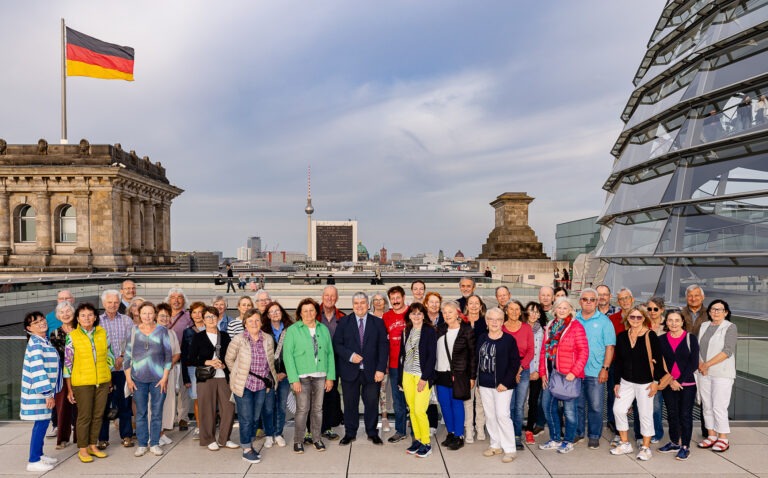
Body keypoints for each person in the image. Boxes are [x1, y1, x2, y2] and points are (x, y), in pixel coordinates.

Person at [610, 306, 666, 461]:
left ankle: (646, 448)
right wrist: (616, 382)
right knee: (619, 410)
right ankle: (625, 443)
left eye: (639, 317)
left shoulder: (651, 336)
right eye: (632, 317)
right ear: (627, 318)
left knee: (645, 414)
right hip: (626, 382)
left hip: (646, 383)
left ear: (644, 319)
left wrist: (656, 382)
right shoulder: (622, 336)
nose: (635, 320)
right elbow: (619, 362)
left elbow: (659, 361)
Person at [334, 292, 389, 446]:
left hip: (372, 372)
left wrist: (380, 369)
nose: (359, 306)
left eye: (363, 303)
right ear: (353, 305)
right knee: (350, 403)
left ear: (368, 305)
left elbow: (383, 347)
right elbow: (337, 345)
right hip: (349, 371)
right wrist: (350, 355)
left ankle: (372, 432)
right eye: (356, 303)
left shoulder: (377, 323)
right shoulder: (344, 322)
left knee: (371, 403)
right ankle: (350, 433)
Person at [283, 298, 336, 454]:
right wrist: (294, 379)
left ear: (316, 312)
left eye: (311, 310)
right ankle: (298, 440)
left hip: (320, 375)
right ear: (300, 313)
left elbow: (330, 354)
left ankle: (316, 438)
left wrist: (330, 377)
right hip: (302, 377)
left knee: (318, 410)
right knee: (302, 410)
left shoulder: (323, 329)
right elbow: (288, 356)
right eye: (305, 311)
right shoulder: (293, 330)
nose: (308, 313)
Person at [225, 309, 278, 464]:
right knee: (246, 418)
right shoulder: (238, 339)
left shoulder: (268, 339)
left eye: (257, 320)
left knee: (255, 417)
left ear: (261, 322)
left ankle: (248, 443)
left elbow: (270, 361)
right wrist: (238, 374)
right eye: (250, 321)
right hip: (244, 385)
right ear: (245, 323)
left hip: (262, 385)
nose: (254, 323)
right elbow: (229, 360)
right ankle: (246, 449)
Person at [64, 303, 114, 463]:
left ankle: (93, 445)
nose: (87, 318)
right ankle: (83, 448)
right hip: (82, 382)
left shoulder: (102, 333)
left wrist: (107, 374)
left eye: (90, 315)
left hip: (102, 381)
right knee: (84, 416)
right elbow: (67, 363)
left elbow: (110, 355)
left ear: (95, 317)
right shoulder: (72, 336)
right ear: (78, 318)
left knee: (98, 415)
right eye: (83, 315)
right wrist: (69, 389)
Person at [538, 298, 588, 454]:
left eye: (565, 307)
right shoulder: (550, 327)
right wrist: (543, 373)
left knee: (569, 411)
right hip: (551, 373)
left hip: (568, 375)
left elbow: (583, 352)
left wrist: (574, 372)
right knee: (547, 406)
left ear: (571, 309)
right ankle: (554, 438)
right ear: (554, 309)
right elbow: (543, 352)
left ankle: (568, 441)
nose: (561, 310)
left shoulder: (576, 327)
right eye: (559, 307)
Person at [124, 302, 172, 457]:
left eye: (150, 313)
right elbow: (127, 357)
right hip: (138, 379)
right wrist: (129, 379)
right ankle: (143, 444)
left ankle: (155, 443)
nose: (147, 316)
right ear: (139, 314)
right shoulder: (133, 331)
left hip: (158, 379)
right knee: (141, 413)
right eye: (144, 313)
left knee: (157, 412)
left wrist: (165, 377)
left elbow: (168, 357)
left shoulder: (162, 331)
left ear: (155, 314)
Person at [189, 306, 236, 451]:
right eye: (208, 317)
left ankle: (224, 438)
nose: (211, 319)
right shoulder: (198, 337)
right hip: (206, 377)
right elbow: (190, 359)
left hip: (224, 377)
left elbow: (231, 355)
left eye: (214, 316)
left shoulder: (225, 335)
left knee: (228, 408)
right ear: (203, 319)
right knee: (206, 409)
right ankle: (208, 439)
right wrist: (208, 361)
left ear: (218, 318)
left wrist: (224, 364)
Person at [477, 307, 521, 463]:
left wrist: (506, 382)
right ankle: (495, 445)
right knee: (490, 415)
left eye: (498, 319)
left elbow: (515, 363)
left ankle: (510, 449)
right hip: (484, 384)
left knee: (502, 415)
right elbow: (478, 361)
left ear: (502, 322)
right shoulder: (482, 338)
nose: (494, 322)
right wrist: (476, 381)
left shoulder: (509, 340)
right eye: (491, 319)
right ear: (487, 321)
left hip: (503, 385)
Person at [574, 288, 615, 449]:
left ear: (597, 302)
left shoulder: (605, 321)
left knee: (596, 406)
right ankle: (578, 433)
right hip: (576, 371)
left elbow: (610, 347)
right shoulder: (574, 319)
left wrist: (605, 368)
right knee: (577, 404)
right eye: (585, 299)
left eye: (592, 299)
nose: (589, 302)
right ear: (580, 302)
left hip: (596, 371)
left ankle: (594, 435)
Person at [21, 311, 62, 472]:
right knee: (40, 424)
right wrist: (47, 394)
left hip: (43, 392)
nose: (41, 323)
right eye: (36, 322)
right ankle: (33, 460)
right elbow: (38, 371)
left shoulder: (42, 341)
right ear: (29, 328)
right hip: (39, 393)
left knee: (43, 422)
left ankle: (39, 454)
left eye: (42, 320)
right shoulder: (37, 344)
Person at [658, 310, 699, 461]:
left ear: (682, 322)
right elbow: (659, 363)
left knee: (685, 415)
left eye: (677, 320)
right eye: (670, 320)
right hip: (669, 383)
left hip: (686, 384)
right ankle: (675, 442)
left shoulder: (690, 338)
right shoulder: (661, 339)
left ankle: (685, 447)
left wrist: (678, 381)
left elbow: (693, 363)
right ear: (666, 322)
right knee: (672, 414)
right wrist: (670, 381)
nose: (673, 323)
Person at [697, 299, 737, 453]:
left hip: (721, 373)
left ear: (726, 312)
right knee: (706, 405)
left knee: (719, 406)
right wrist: (701, 365)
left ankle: (723, 438)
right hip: (703, 372)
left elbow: (727, 351)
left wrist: (707, 365)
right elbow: (699, 348)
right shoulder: (704, 326)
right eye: (713, 309)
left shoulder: (730, 327)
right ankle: (711, 435)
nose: (715, 312)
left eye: (719, 309)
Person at [435, 300, 476, 451]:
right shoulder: (439, 329)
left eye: (450, 312)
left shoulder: (466, 331)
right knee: (445, 405)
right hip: (440, 373)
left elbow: (472, 356)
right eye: (444, 312)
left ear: (457, 313)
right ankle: (451, 433)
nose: (447, 315)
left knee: (457, 404)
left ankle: (459, 435)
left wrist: (472, 377)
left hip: (459, 374)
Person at [398, 302, 437, 458]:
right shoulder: (406, 330)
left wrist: (424, 378)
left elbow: (431, 357)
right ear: (409, 316)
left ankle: (426, 443)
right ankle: (418, 440)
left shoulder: (429, 331)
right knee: (412, 410)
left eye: (419, 313)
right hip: (407, 375)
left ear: (423, 315)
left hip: (422, 376)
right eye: (413, 313)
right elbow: (403, 355)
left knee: (420, 411)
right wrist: (401, 379)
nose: (416, 316)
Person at [97, 289, 134, 450]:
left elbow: (133, 342)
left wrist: (121, 355)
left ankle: (126, 435)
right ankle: (102, 438)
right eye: (109, 302)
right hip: (103, 370)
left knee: (124, 403)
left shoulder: (126, 320)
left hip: (123, 369)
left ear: (119, 303)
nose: (112, 305)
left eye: (115, 302)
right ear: (104, 303)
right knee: (103, 405)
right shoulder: (96, 321)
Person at [633, 297, 666, 444]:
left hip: (660, 370)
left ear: (662, 310)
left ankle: (656, 432)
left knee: (656, 405)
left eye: (655, 309)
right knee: (641, 404)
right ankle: (641, 433)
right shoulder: (642, 323)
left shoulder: (667, 325)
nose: (652, 312)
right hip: (643, 370)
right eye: (649, 309)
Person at [502, 300, 534, 451]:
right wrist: (511, 370)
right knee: (508, 405)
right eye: (511, 309)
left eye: (517, 310)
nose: (514, 312)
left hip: (523, 369)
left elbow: (531, 352)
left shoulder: (527, 328)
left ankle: (516, 436)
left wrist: (519, 369)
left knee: (519, 406)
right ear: (506, 311)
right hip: (506, 370)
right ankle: (506, 436)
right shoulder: (501, 328)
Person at [261, 301, 294, 448]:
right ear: (267, 315)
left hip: (285, 375)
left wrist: (285, 373)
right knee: (268, 406)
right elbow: (261, 355)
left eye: (277, 310)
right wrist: (273, 373)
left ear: (282, 312)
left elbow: (294, 353)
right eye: (271, 311)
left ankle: (278, 433)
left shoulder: (290, 330)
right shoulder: (263, 331)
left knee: (281, 406)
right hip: (268, 375)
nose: (275, 313)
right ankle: (269, 434)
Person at [317, 286, 345, 441]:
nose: (329, 298)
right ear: (322, 296)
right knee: (316, 394)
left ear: (337, 298)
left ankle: (327, 425)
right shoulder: (313, 314)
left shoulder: (342, 317)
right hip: (316, 361)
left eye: (332, 296)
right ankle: (315, 427)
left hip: (337, 361)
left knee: (331, 392)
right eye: (327, 295)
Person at [382, 286, 409, 443]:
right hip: (393, 365)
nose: (396, 301)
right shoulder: (387, 316)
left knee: (413, 400)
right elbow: (383, 342)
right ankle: (400, 430)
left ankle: (417, 429)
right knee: (398, 400)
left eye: (398, 297)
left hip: (411, 365)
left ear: (403, 297)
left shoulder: (413, 312)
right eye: (393, 299)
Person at [49, 302, 77, 450]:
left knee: (80, 407)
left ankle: (80, 438)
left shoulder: (80, 330)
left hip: (80, 373)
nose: (65, 314)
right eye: (62, 312)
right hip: (61, 374)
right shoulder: (54, 333)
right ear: (58, 316)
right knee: (62, 407)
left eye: (68, 311)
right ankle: (62, 438)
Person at [166, 288, 193, 431]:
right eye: (173, 297)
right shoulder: (163, 313)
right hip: (165, 357)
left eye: (180, 297)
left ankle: (182, 418)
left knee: (183, 388)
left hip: (182, 356)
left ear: (184, 300)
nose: (176, 300)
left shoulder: (188, 316)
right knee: (168, 389)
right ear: (168, 300)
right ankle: (169, 418)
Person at [155, 303, 181, 446]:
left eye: (167, 315)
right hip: (154, 375)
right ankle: (154, 433)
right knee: (155, 404)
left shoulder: (171, 333)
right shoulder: (151, 332)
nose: (164, 318)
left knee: (168, 403)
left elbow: (177, 353)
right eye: (161, 315)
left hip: (169, 373)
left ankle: (162, 432)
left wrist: (168, 365)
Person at [463, 294, 488, 443]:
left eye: (476, 303)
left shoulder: (485, 323)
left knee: (480, 401)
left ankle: (480, 428)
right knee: (467, 400)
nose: (473, 306)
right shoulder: (462, 323)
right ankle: (469, 430)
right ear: (466, 306)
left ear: (480, 306)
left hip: (482, 367)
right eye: (470, 303)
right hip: (465, 368)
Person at [181, 301, 206, 440]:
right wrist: (185, 377)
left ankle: (208, 425)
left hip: (208, 369)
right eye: (194, 312)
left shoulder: (211, 329)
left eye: (200, 312)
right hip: (192, 370)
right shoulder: (188, 331)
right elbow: (184, 355)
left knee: (208, 399)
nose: (197, 315)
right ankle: (199, 427)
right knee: (197, 399)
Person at [523, 301, 547, 444]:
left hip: (537, 372)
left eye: (537, 312)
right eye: (531, 311)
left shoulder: (543, 331)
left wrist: (537, 371)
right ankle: (514, 429)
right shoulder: (520, 328)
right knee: (518, 403)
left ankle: (529, 430)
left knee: (533, 402)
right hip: (522, 371)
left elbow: (543, 353)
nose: (534, 314)